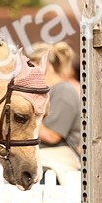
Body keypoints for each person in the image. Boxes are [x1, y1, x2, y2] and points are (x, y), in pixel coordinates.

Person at [33, 41, 83, 179]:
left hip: (56, 163)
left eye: (31, 66)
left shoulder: (63, 91)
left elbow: (53, 136)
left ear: (45, 66)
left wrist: (26, 121)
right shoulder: (46, 92)